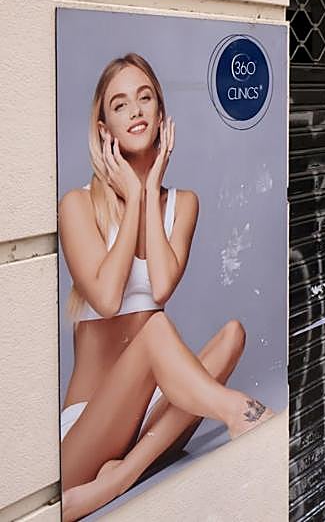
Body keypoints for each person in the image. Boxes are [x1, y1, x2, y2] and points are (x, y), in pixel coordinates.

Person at [58, 54, 274, 521]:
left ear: (160, 115)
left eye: (145, 98)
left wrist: (152, 185)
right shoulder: (76, 206)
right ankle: (240, 411)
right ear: (103, 129)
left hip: (151, 418)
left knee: (233, 334)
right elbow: (108, 298)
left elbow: (159, 285)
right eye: (120, 104)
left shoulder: (184, 204)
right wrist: (135, 196)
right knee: (154, 330)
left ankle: (120, 476)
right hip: (89, 427)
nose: (135, 110)